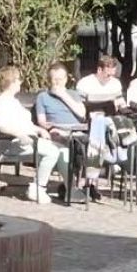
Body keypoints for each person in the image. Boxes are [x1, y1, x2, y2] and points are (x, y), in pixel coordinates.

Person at [0, 65, 72, 204]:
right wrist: (20, 135)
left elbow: (25, 124)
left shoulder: (14, 101)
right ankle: (38, 188)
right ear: (11, 82)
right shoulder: (0, 102)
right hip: (13, 143)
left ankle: (71, 189)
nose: (20, 82)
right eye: (18, 79)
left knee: (63, 150)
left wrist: (39, 130)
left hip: (28, 140)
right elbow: (1, 125)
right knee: (52, 151)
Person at [36, 62, 99, 200]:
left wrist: (63, 96)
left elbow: (82, 114)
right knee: (66, 150)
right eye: (54, 79)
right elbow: (41, 121)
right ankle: (72, 189)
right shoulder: (43, 96)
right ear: (49, 80)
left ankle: (89, 183)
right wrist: (50, 128)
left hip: (77, 132)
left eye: (60, 79)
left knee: (95, 142)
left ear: (66, 79)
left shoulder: (73, 94)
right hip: (57, 132)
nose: (57, 82)